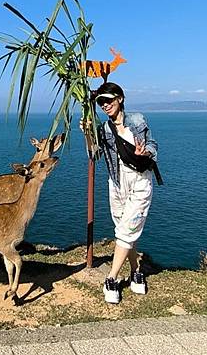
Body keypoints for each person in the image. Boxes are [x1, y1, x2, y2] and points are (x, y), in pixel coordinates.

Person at [81, 81, 158, 304]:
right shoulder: (104, 129)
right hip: (116, 182)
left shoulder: (138, 120)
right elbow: (94, 154)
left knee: (127, 229)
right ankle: (135, 271)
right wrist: (88, 133)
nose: (105, 105)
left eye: (109, 100)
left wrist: (146, 153)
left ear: (120, 98)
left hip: (140, 179)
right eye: (101, 102)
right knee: (125, 229)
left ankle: (111, 278)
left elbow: (153, 144)